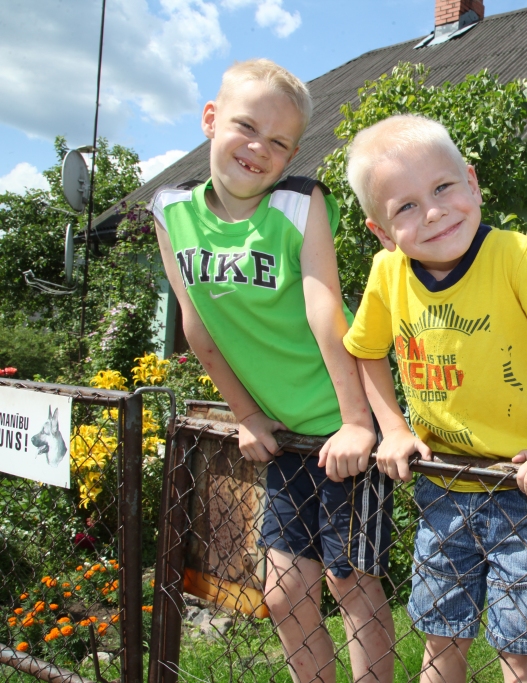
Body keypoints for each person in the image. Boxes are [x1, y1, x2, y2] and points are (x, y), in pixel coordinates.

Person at [341, 114, 527, 683]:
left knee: (521, 652)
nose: (434, 212)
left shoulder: (515, 256)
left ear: (472, 182)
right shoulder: (387, 273)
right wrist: (392, 428)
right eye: (407, 207)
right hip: (441, 485)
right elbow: (365, 350)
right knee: (441, 645)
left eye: (443, 188)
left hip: (524, 490)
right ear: (380, 231)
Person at [151, 59, 394, 683]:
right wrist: (248, 415)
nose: (259, 148)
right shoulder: (169, 211)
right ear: (210, 120)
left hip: (346, 423)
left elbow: (323, 308)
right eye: (246, 126)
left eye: (279, 142)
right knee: (284, 595)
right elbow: (197, 325)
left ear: (291, 157)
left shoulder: (299, 203)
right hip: (286, 436)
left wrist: (357, 422)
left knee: (352, 586)